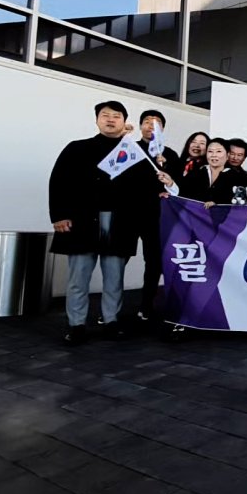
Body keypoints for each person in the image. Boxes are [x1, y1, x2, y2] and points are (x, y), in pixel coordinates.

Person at [49, 101, 157, 345]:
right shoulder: (77, 148)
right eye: (105, 115)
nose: (110, 120)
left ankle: (111, 321)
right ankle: (76, 324)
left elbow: (146, 187)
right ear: (96, 120)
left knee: (114, 276)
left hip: (120, 221)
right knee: (79, 277)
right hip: (82, 220)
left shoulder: (134, 152)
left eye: (116, 116)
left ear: (124, 121)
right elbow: (58, 181)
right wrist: (59, 215)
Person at [136, 110, 181, 323]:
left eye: (156, 123)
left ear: (162, 129)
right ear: (140, 126)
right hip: (132, 213)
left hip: (158, 216)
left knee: (153, 261)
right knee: (117, 261)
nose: (151, 126)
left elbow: (179, 185)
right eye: (147, 122)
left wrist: (166, 170)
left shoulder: (170, 154)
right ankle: (110, 313)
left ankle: (147, 305)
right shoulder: (130, 148)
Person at [164, 138, 247, 206]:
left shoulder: (238, 177)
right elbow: (182, 193)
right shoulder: (196, 173)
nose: (214, 155)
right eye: (210, 151)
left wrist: (217, 204)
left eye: (219, 151)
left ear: (227, 155)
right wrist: (170, 183)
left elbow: (240, 203)